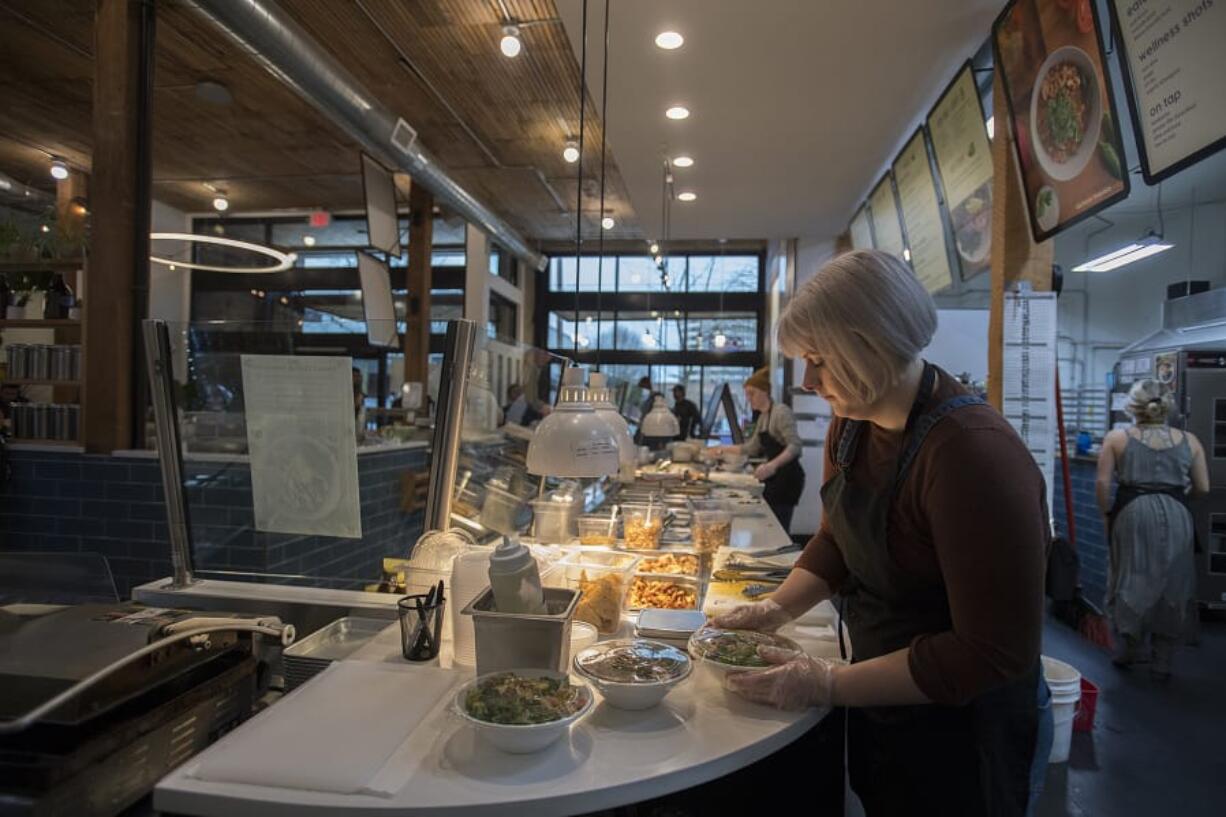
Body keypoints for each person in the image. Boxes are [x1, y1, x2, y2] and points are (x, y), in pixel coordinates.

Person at [713, 250, 1052, 816]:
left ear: (870, 345)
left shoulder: (973, 455)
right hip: (887, 703)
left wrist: (828, 685)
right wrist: (774, 609)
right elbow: (839, 539)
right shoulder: (855, 424)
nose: (808, 381)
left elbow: (992, 651)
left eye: (818, 360)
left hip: (964, 734)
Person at [1095, 378, 1209, 680]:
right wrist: (1177, 501)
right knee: (1175, 581)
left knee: (1129, 576)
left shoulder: (1117, 439)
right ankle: (1163, 658)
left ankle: (1129, 648)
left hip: (1132, 512)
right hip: (1177, 512)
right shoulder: (1190, 440)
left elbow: (1103, 483)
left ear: (1132, 406)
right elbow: (1203, 487)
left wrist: (1107, 513)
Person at [714, 367, 804, 530]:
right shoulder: (764, 416)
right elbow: (752, 448)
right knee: (769, 525)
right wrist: (721, 449)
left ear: (764, 391)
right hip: (775, 479)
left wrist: (772, 465)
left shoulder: (781, 412)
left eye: (752, 393)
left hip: (788, 479)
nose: (749, 399)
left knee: (779, 528)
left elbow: (795, 446)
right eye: (747, 394)